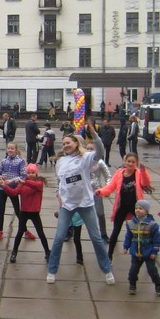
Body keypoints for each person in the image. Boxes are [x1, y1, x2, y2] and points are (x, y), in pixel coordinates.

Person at [46, 121, 114, 285]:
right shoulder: (61, 162)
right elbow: (59, 181)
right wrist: (58, 194)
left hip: (85, 204)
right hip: (67, 205)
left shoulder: (85, 158)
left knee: (96, 238)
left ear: (76, 143)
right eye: (63, 144)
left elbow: (100, 153)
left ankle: (107, 270)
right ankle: (52, 271)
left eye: (68, 142)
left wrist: (94, 135)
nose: (66, 145)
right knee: (59, 237)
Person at [95, 152, 151, 260]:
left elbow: (145, 183)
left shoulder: (138, 173)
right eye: (128, 161)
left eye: (133, 162)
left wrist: (143, 171)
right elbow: (110, 187)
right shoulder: (119, 173)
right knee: (115, 230)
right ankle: (109, 255)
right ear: (124, 162)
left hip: (136, 207)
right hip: (122, 206)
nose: (130, 164)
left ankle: (148, 250)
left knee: (143, 229)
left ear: (136, 163)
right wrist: (100, 192)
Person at [1, 163, 50, 263]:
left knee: (41, 233)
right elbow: (14, 193)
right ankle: (14, 252)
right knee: (19, 232)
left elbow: (36, 186)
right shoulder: (23, 183)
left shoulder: (39, 182)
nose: (31, 174)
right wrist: (4, 186)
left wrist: (23, 181)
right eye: (28, 172)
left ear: (36, 174)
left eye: (33, 172)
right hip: (24, 212)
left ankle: (47, 252)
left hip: (35, 212)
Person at [122, 200, 160, 296]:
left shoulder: (152, 225)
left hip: (148, 252)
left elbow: (157, 240)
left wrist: (154, 252)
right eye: (136, 208)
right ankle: (132, 285)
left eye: (141, 208)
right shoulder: (130, 223)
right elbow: (128, 236)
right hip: (136, 252)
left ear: (146, 211)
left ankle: (158, 285)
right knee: (133, 271)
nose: (138, 210)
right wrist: (126, 246)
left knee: (152, 271)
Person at [0, 142, 27, 242]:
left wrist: (12, 180)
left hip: (13, 190)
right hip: (2, 189)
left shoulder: (20, 161)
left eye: (12, 148)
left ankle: (25, 230)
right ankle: (0, 231)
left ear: (16, 150)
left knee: (17, 211)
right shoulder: (4, 161)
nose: (10, 150)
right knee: (1, 210)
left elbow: (23, 176)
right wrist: (0, 177)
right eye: (8, 148)